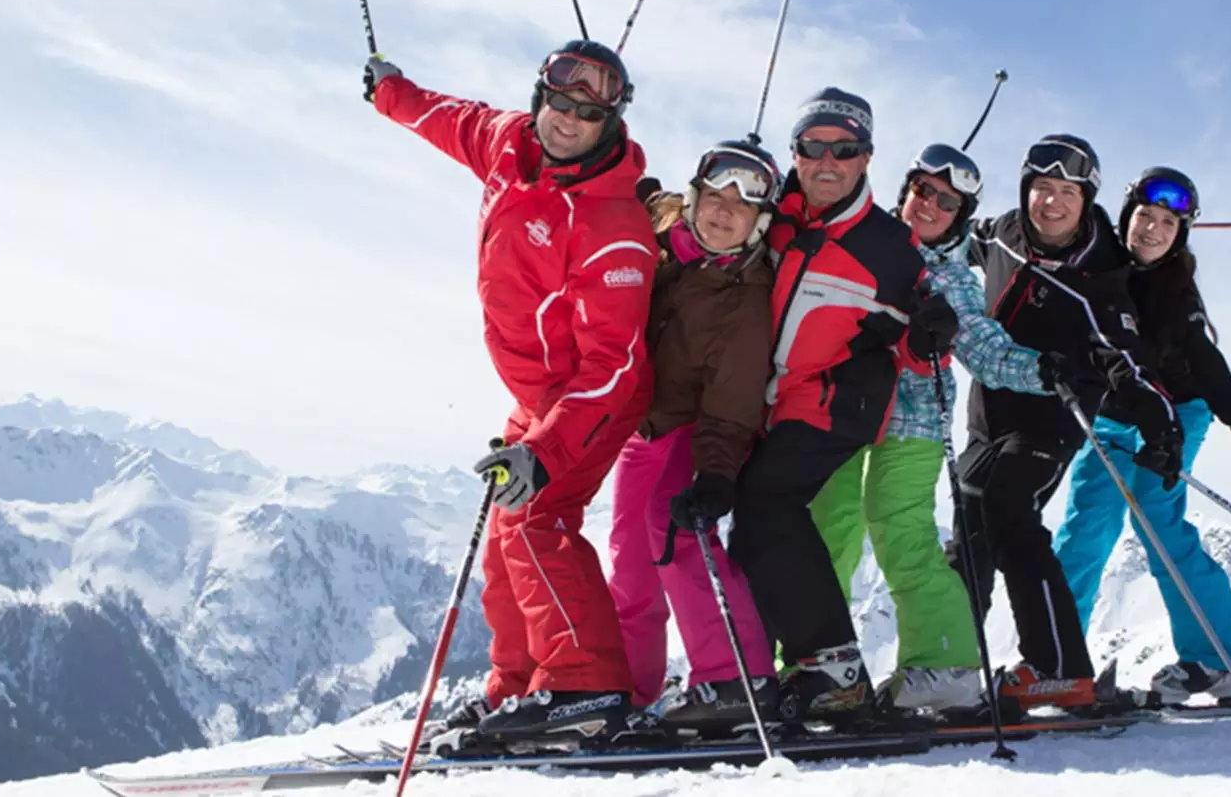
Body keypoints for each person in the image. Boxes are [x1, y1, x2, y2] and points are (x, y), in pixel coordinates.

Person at [366, 42, 656, 742]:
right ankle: (518, 685)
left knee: (538, 517)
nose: (568, 119)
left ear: (611, 121)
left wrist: (548, 449)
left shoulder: (612, 227)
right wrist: (391, 93)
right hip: (533, 391)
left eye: (589, 112)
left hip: (591, 399)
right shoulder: (508, 145)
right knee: (506, 528)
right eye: (560, 101)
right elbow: (451, 118)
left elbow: (611, 367)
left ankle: (584, 685)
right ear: (539, 97)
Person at [808, 144, 1055, 712]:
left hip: (913, 422)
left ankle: (943, 663)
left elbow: (987, 353)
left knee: (901, 532)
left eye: (947, 201)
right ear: (905, 191)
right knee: (828, 531)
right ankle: (813, 661)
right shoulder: (866, 242)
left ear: (961, 215)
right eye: (923, 190)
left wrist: (1048, 370)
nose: (930, 205)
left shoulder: (953, 278)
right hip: (840, 411)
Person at [949, 133, 1186, 710]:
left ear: (1085, 201)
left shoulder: (1102, 273)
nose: (1050, 203)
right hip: (988, 412)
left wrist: (1160, 423)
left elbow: (1124, 358)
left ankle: (1059, 668)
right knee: (968, 538)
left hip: (1053, 415)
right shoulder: (1004, 231)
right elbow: (961, 240)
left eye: (1066, 192)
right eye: (1041, 188)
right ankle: (948, 663)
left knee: (1010, 513)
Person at [1052, 167, 1231, 703]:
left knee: (1158, 523)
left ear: (1181, 234)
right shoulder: (1096, 263)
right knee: (1084, 530)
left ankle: (1216, 663)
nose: (1153, 229)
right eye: (1145, 216)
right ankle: (1058, 662)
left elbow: (1214, 376)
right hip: (1111, 416)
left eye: (1168, 223)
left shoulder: (1175, 292)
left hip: (1175, 414)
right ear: (1126, 217)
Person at [728, 87, 940, 722]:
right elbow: (712, 222)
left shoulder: (889, 247)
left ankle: (834, 667)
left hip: (836, 400)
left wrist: (932, 327)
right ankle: (764, 670)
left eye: (843, 149)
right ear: (794, 153)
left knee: (765, 500)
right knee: (754, 526)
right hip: (770, 399)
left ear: (866, 157)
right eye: (813, 146)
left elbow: (922, 339)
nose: (828, 160)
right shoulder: (773, 211)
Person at [606, 140, 782, 734]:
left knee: (675, 525)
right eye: (716, 195)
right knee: (630, 562)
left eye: (743, 204)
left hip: (697, 432)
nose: (724, 211)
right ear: (696, 196)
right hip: (644, 426)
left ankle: (735, 676)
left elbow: (730, 409)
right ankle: (627, 692)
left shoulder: (745, 297)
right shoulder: (668, 230)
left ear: (760, 222)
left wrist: (713, 477)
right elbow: (649, 199)